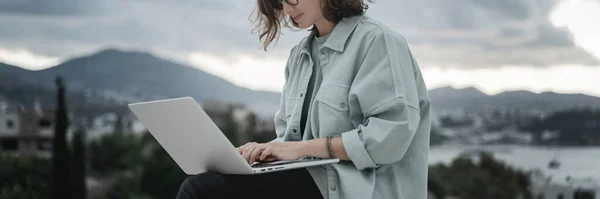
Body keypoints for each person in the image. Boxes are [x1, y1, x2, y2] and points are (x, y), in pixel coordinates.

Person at [176, 0, 432, 198]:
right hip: (309, 180)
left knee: (201, 191)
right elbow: (289, 140)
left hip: (357, 191)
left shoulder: (378, 41)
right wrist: (263, 152)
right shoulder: (299, 56)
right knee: (209, 180)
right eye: (280, 3)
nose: (287, 10)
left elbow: (391, 137)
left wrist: (297, 149)